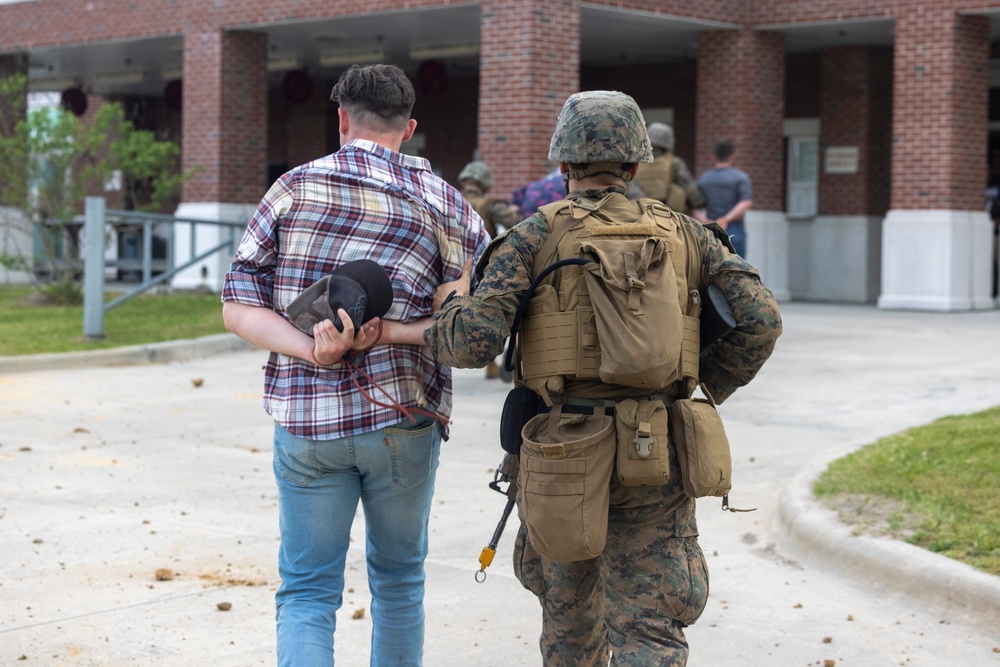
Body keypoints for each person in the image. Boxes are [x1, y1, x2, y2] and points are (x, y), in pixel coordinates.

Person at [423, 91, 782, 665]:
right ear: (635, 166)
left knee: (570, 625)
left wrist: (451, 305)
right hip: (656, 451)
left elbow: (472, 344)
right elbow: (762, 321)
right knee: (649, 630)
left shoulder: (532, 235)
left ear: (564, 164)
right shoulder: (688, 233)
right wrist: (701, 383)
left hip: (561, 454)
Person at [220, 63, 489, 667]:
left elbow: (237, 308)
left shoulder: (292, 188)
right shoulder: (451, 208)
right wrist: (392, 332)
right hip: (404, 420)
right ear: (409, 128)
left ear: (341, 119)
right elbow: (470, 325)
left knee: (307, 590)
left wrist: (314, 350)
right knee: (399, 582)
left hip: (308, 421)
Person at [457, 160, 520, 378]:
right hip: (483, 268)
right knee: (497, 312)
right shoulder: (489, 205)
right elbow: (517, 224)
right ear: (485, 184)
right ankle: (501, 360)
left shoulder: (448, 199)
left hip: (454, 268)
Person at [630, 121, 706, 217]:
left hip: (643, 213)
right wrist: (699, 203)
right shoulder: (674, 162)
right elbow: (689, 187)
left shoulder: (637, 163)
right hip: (669, 215)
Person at [696, 141, 753, 257]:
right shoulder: (741, 178)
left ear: (713, 157)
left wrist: (704, 220)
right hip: (734, 227)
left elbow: (694, 205)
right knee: (737, 266)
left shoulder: (703, 179)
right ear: (732, 157)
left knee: (710, 265)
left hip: (711, 228)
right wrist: (726, 219)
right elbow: (746, 202)